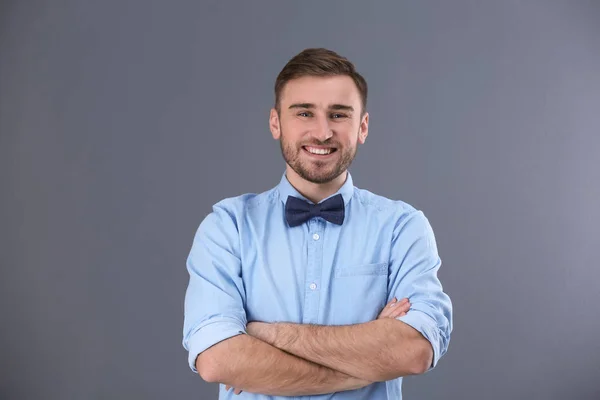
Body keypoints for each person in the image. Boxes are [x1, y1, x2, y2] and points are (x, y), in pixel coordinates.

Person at [182, 48, 453, 399]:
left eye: (338, 114)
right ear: (276, 122)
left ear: (363, 127)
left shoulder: (403, 227)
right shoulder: (227, 227)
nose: (322, 132)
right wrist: (366, 360)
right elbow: (219, 361)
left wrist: (265, 335)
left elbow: (414, 350)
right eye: (304, 113)